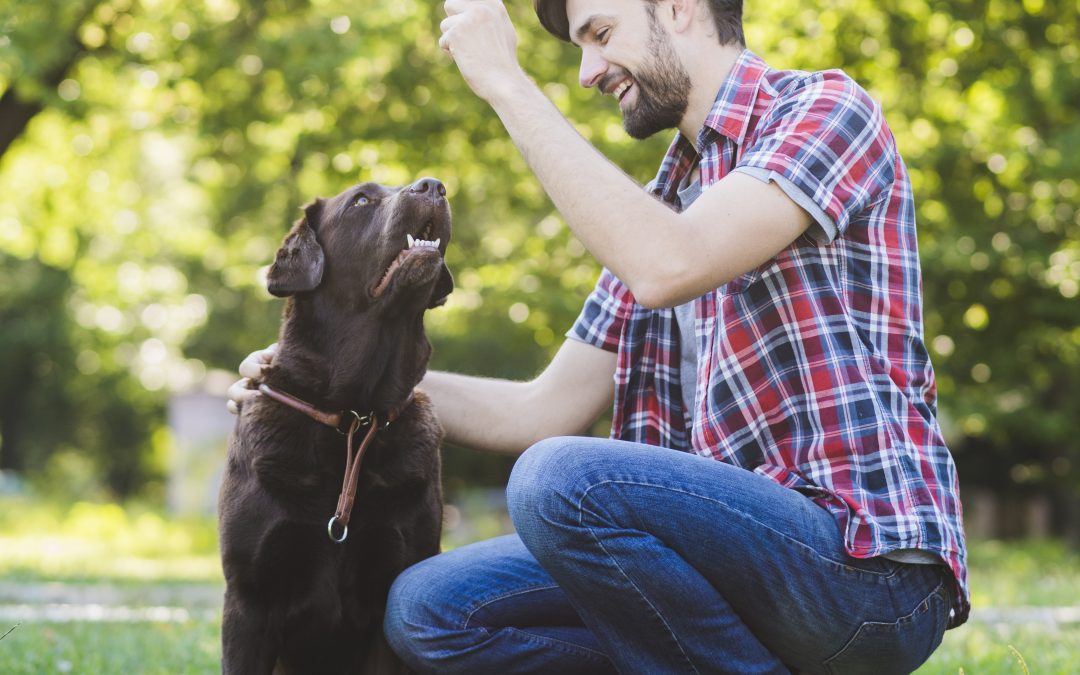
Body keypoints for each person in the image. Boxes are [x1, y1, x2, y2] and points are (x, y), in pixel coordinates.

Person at [229, 0, 969, 671]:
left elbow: (668, 261)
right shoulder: (665, 200)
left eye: (601, 35)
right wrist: (308, 383)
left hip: (865, 575)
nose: (586, 72)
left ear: (679, 9)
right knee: (426, 608)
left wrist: (508, 85)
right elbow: (539, 410)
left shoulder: (825, 112)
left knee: (558, 481)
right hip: (721, 574)